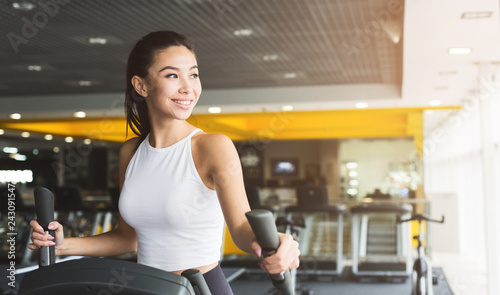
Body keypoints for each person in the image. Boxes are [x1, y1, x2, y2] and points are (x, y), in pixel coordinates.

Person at [28, 31, 300, 294]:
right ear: (141, 85)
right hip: (144, 286)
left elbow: (241, 229)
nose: (188, 87)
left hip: (199, 287)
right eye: (172, 75)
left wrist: (276, 242)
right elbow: (128, 237)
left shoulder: (212, 146)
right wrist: (62, 245)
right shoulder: (131, 152)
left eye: (193, 74)